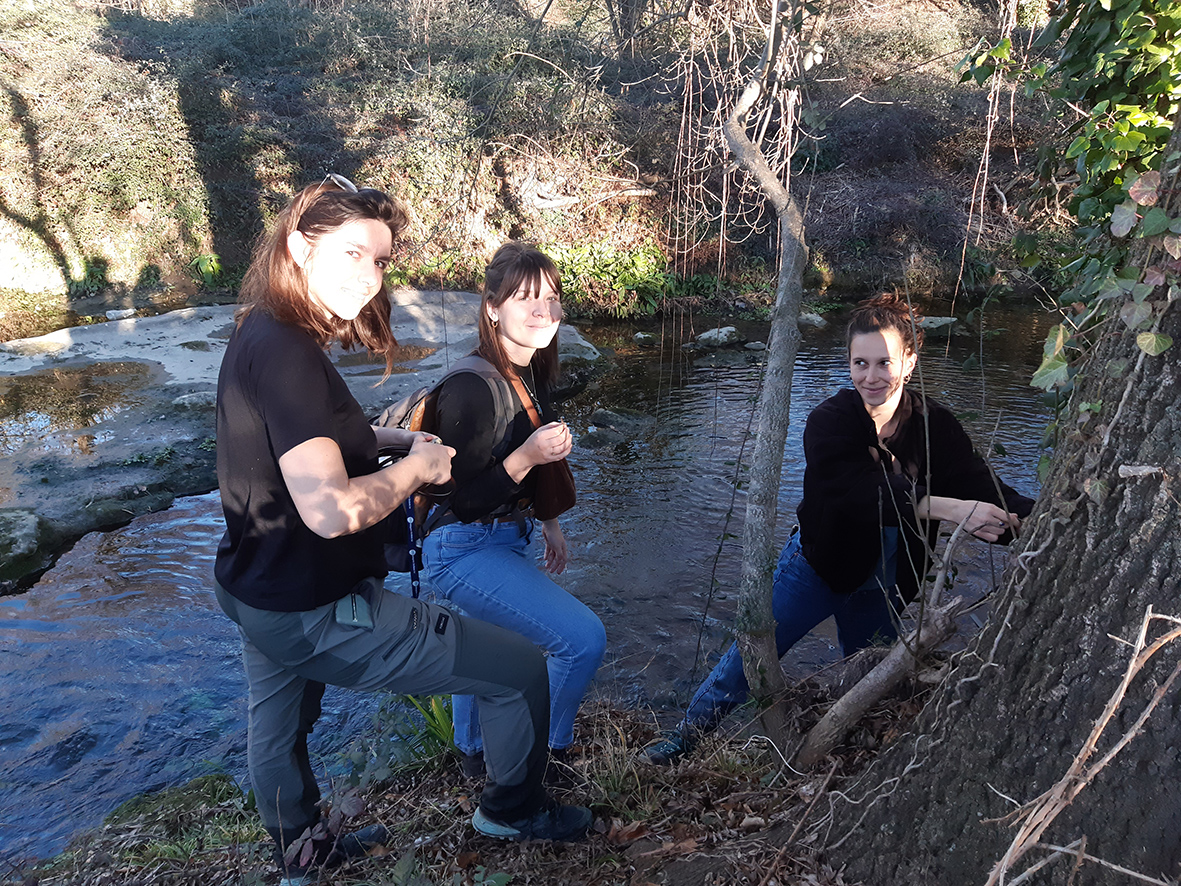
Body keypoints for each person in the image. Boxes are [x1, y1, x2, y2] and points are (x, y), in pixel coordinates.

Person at [213, 178, 591, 885]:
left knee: (279, 729)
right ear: (299, 245)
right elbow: (329, 510)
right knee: (518, 670)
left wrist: (387, 437)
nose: (369, 274)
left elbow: (306, 437)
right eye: (353, 252)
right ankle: (512, 807)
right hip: (316, 608)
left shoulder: (261, 330)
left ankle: (300, 853)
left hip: (253, 588)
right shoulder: (290, 353)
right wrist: (417, 468)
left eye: (382, 260)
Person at [645, 292, 1036, 765]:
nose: (871, 377)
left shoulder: (935, 425)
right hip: (817, 567)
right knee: (745, 662)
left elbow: (979, 481)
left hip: (886, 582)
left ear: (908, 362)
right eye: (860, 363)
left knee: (872, 674)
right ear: (848, 364)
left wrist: (1031, 519)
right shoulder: (830, 421)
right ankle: (686, 738)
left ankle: (858, 749)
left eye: (884, 363)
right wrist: (949, 508)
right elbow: (856, 492)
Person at [421, 242, 606, 780]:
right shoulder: (470, 388)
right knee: (581, 640)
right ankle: (543, 754)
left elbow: (517, 474)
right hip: (460, 547)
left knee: (484, 651)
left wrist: (548, 521)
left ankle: (474, 757)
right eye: (525, 299)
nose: (543, 311)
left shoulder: (527, 371)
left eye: (550, 297)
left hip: (505, 538)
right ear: (492, 308)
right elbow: (458, 501)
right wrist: (527, 456)